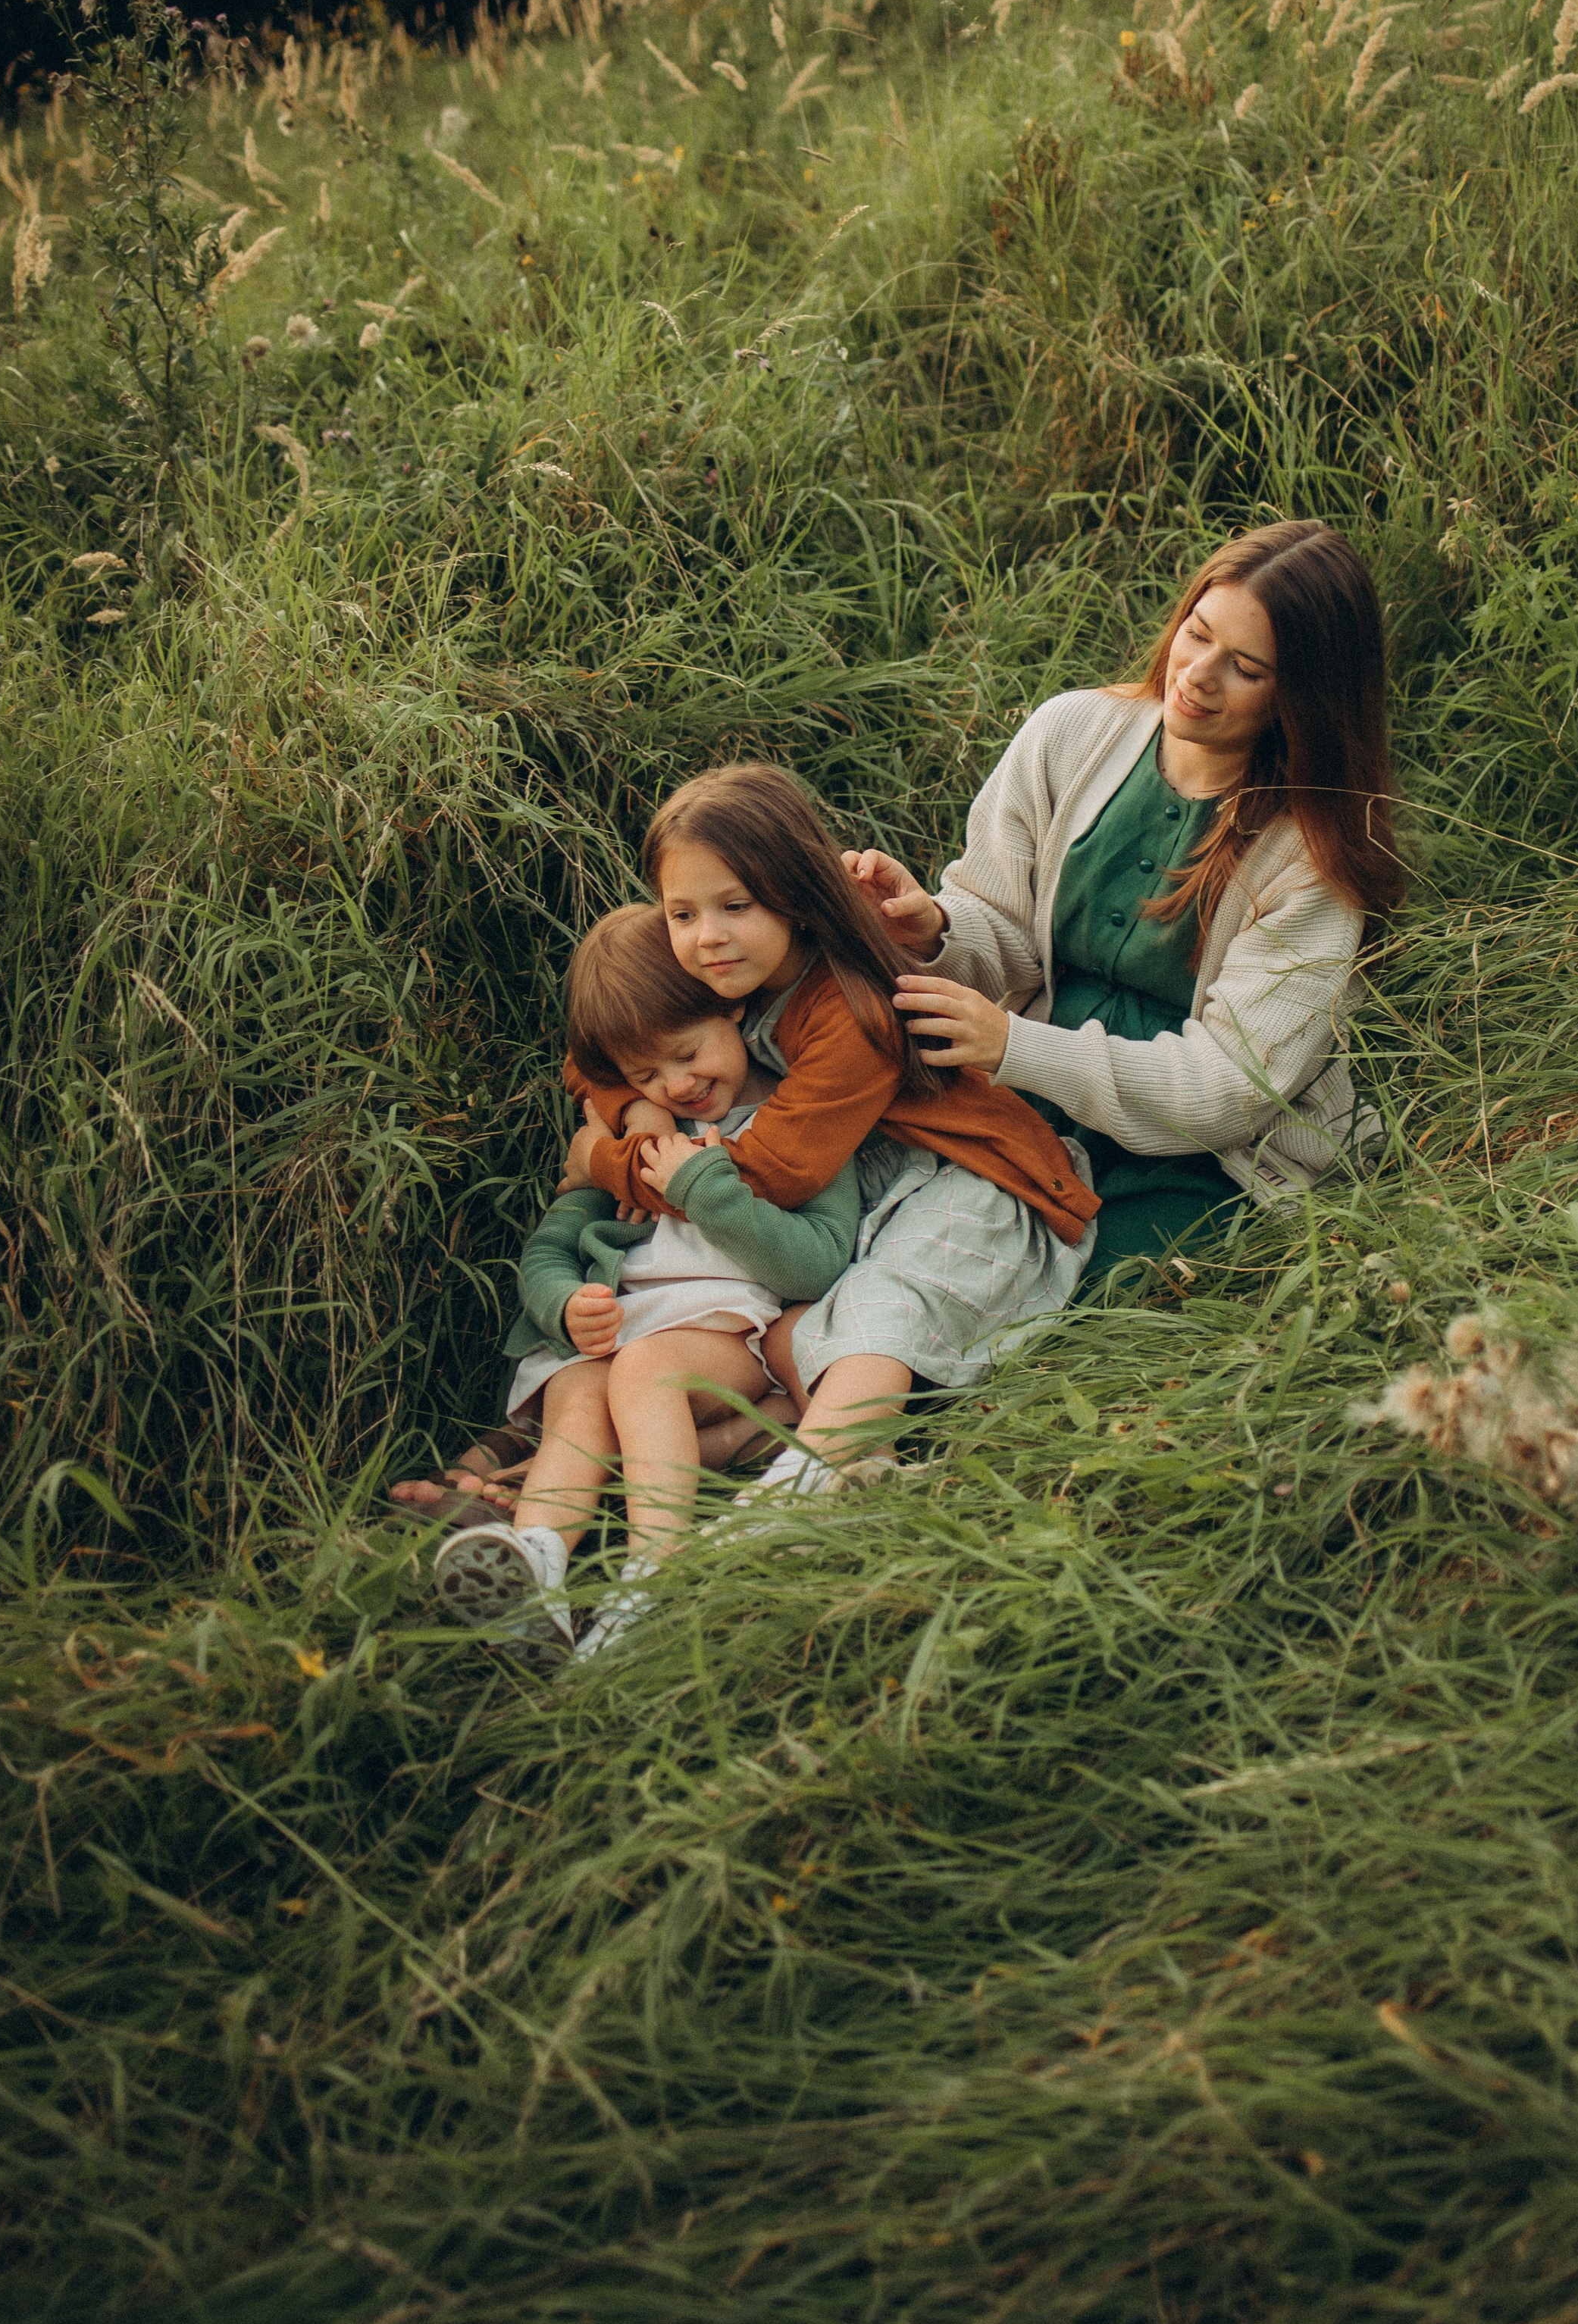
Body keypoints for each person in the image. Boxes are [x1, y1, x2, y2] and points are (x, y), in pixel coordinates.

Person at [844, 519, 1401, 1271]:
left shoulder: (1311, 859)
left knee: (1039, 1315)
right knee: (879, 1240)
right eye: (1196, 634)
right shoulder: (1072, 731)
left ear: (1301, 698)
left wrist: (1015, 1046)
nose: (1198, 674)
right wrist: (936, 929)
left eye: (1245, 667)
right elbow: (1004, 931)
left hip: (1200, 1158)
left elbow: (1228, 1092)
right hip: (1025, 1098)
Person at [578, 764, 1100, 1485]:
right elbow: (602, 1049)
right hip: (856, 1200)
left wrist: (604, 1162)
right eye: (683, 914)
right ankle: (809, 1456)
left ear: (793, 899)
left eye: (736, 905)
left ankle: (800, 1493)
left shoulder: (848, 1013)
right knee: (797, 1332)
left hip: (968, 1184)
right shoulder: (722, 973)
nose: (708, 939)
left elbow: (769, 1173)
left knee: (880, 1302)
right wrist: (633, 1108)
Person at [430, 903, 862, 1659]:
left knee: (647, 1370)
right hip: (612, 1337)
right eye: (644, 1075)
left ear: (729, 1005)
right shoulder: (636, 1135)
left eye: (686, 1054)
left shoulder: (793, 1124)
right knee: (579, 1400)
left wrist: (709, 1193)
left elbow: (818, 1261)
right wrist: (564, 1307)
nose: (677, 1086)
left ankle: (654, 1573)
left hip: (726, 1335)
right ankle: (541, 1566)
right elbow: (550, 1247)